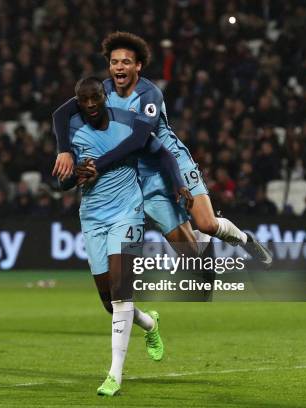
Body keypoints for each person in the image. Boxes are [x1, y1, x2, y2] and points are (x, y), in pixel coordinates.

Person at [52, 32, 272, 265]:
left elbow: (138, 141)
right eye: (114, 62)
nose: (119, 67)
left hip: (173, 161)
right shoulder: (102, 91)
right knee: (190, 254)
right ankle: (201, 245)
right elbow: (60, 114)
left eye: (126, 62)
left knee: (207, 224)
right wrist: (63, 150)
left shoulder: (149, 94)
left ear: (138, 66)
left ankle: (244, 239)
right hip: (142, 175)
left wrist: (97, 165)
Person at [61, 77, 174, 397]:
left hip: (128, 212)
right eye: (85, 100)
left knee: (121, 291)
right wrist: (75, 176)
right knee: (109, 301)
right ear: (79, 103)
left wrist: (177, 185)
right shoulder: (73, 131)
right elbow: (61, 182)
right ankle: (150, 324)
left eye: (96, 97)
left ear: (104, 96)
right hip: (93, 217)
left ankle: (114, 374)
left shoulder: (128, 123)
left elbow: (161, 153)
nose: (92, 104)